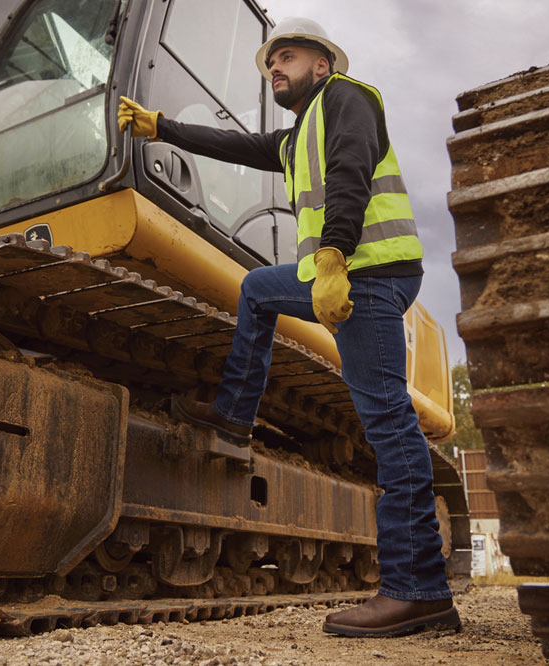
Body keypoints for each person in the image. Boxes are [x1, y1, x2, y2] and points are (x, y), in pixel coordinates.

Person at [117, 17, 459, 638]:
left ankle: (418, 590)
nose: (274, 67)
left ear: (322, 64)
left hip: (367, 275)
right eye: (270, 62)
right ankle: (234, 414)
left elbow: (352, 171)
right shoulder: (299, 134)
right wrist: (161, 127)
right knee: (257, 289)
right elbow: (240, 147)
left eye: (287, 56)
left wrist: (332, 256)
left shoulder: (348, 100)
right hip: (346, 271)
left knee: (387, 424)